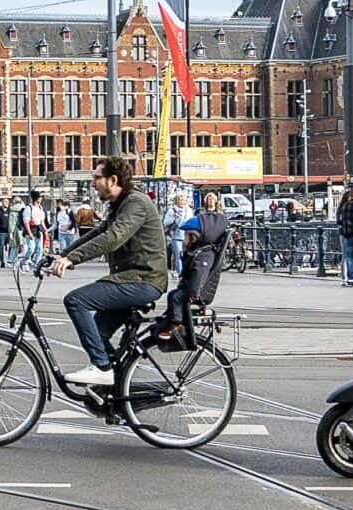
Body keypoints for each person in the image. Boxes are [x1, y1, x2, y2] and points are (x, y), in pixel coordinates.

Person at [52, 157, 168, 387]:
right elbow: (97, 233)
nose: (93, 183)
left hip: (143, 280)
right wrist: (62, 254)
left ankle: (102, 368)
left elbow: (113, 237)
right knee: (98, 333)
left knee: (76, 300)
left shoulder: (136, 203)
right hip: (131, 279)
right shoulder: (120, 205)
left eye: (97, 178)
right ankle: (117, 388)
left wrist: (71, 259)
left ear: (113, 180)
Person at [158, 205, 229, 343]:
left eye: (186, 236)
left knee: (176, 298)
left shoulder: (204, 255)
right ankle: (170, 319)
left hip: (195, 291)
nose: (184, 239)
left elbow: (199, 274)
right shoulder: (200, 251)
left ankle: (176, 324)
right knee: (173, 296)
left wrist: (193, 293)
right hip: (191, 288)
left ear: (194, 237)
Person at [164, 192, 193, 276]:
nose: (181, 201)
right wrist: (173, 217)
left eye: (183, 200)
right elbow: (165, 222)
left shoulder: (188, 210)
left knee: (186, 255)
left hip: (187, 235)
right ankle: (181, 273)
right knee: (179, 255)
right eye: (179, 200)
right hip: (176, 236)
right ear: (176, 201)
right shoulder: (172, 210)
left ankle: (185, 271)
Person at [22, 190, 46, 271]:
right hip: (31, 230)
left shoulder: (40, 208)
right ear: (36, 198)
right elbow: (26, 223)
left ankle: (37, 265)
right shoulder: (28, 208)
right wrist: (29, 233)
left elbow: (42, 221)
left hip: (39, 230)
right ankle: (24, 262)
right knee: (31, 249)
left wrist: (45, 230)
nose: (41, 199)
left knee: (39, 249)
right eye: (40, 197)